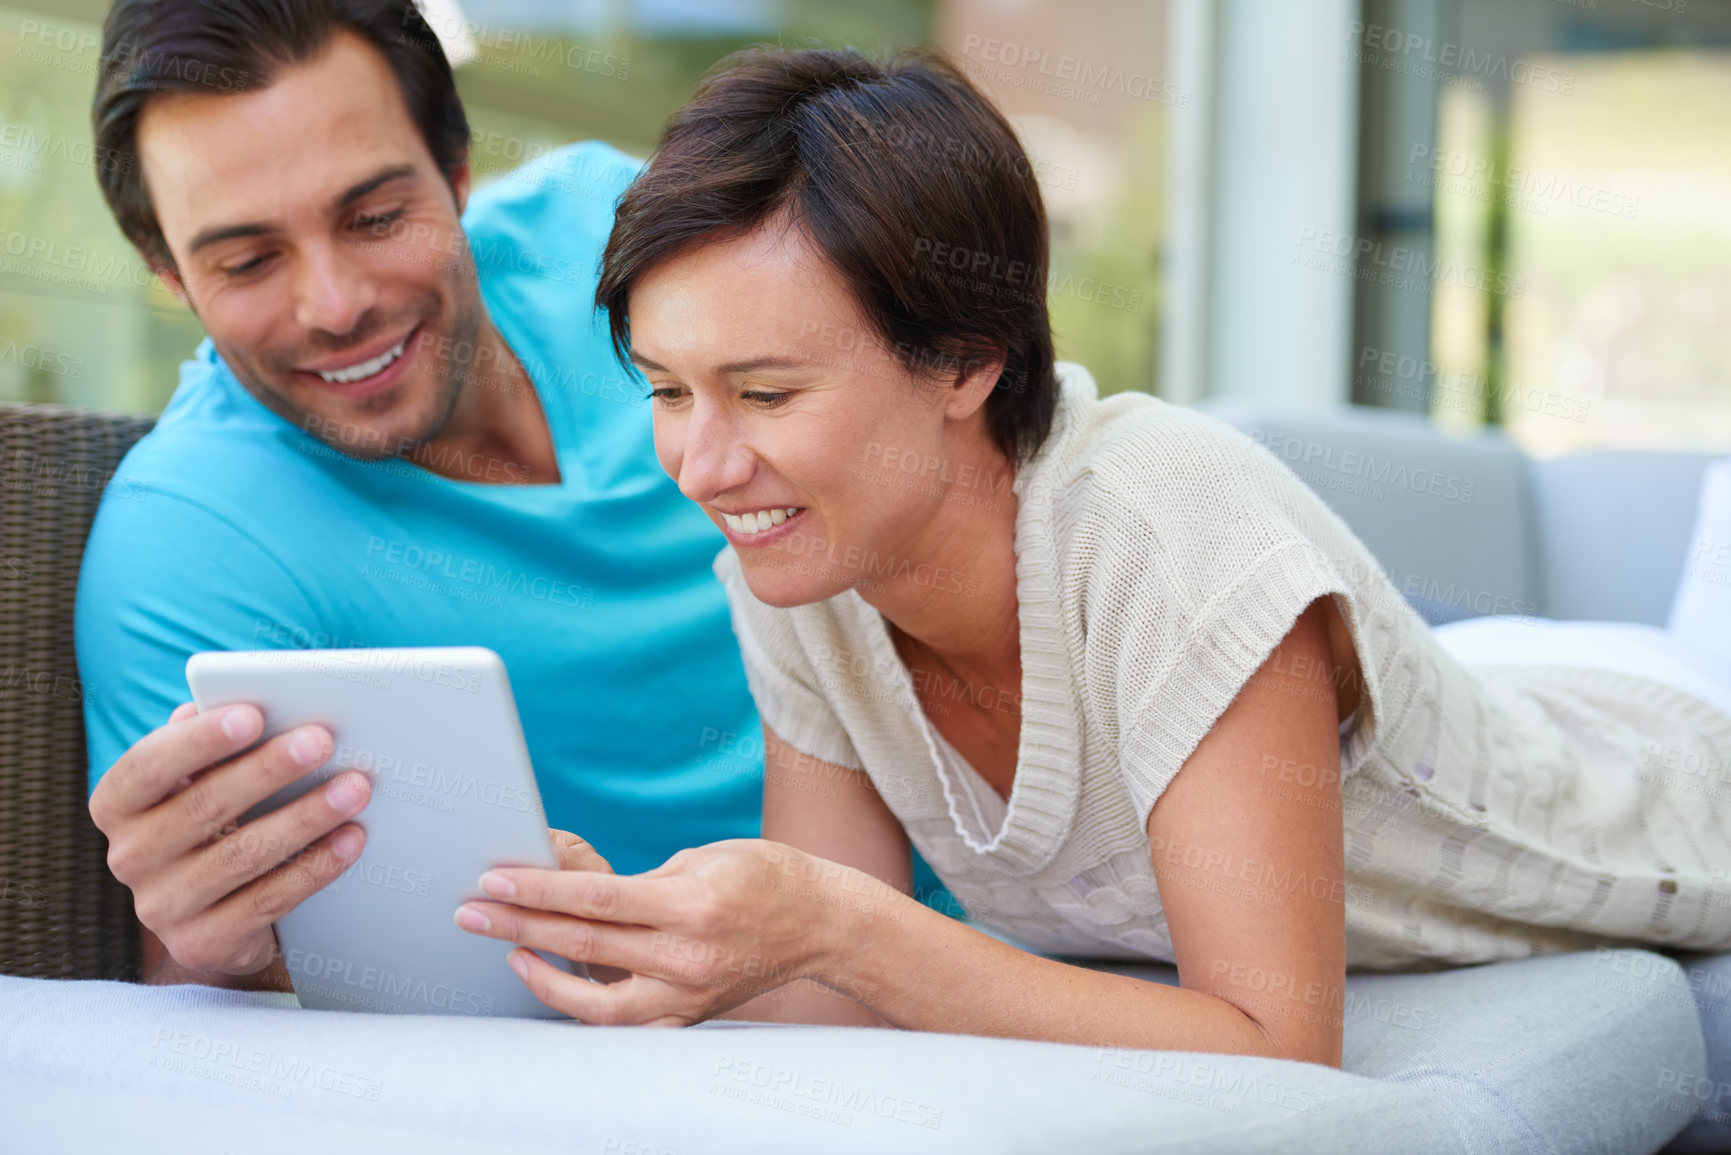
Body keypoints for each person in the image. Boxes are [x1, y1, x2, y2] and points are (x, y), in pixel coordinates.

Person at [450, 46, 1731, 1064]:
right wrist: (627, 935)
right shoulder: (807, 566)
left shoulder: (1170, 531)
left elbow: (1274, 1046)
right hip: (1470, 683)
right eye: (669, 391)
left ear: (965, 360)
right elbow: (826, 1009)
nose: (701, 466)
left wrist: (835, 922)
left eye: (768, 394)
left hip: (1667, 780)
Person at [75, 0, 956, 1004]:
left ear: (457, 172)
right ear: (166, 271)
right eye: (246, 261)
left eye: (373, 217)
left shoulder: (626, 240)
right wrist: (222, 948)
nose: (335, 303)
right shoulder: (189, 540)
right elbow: (213, 980)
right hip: (716, 1032)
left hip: (1036, 912)